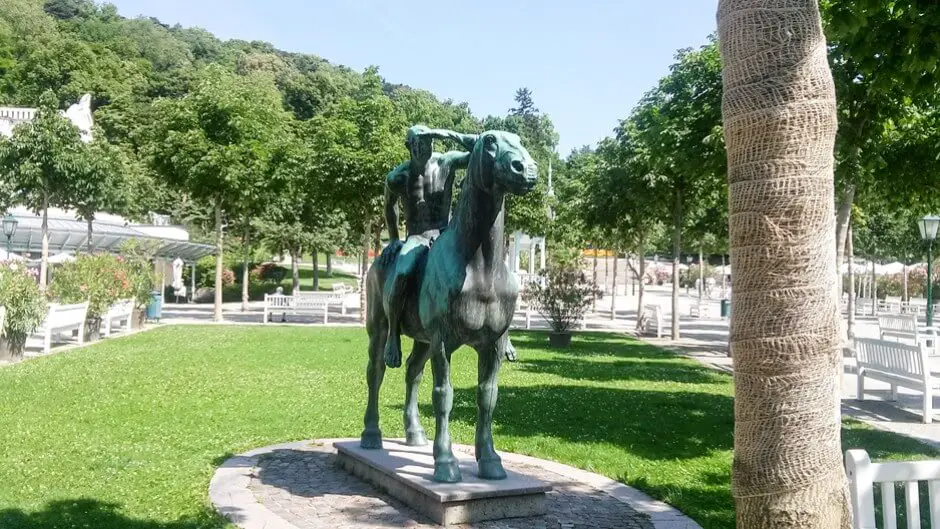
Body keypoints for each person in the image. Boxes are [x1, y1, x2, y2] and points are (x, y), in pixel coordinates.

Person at [380, 125, 478, 368]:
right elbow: (388, 208)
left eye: (428, 142)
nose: (425, 147)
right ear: (409, 146)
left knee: (482, 261)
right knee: (402, 273)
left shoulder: (446, 162)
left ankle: (496, 327)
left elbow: (479, 149)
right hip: (417, 237)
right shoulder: (399, 177)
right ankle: (393, 335)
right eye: (419, 143)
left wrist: (447, 133)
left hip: (445, 234)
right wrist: (394, 239)